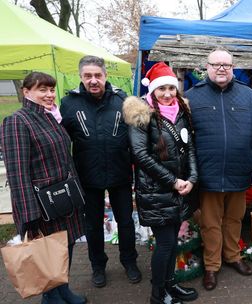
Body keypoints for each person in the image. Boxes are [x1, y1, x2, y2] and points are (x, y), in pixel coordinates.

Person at [184, 47, 252, 291]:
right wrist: (192, 169)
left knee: (234, 218)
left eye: (227, 65)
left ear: (233, 68)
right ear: (206, 67)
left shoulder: (249, 96)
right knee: (210, 222)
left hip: (240, 171)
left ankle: (233, 256)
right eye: (216, 64)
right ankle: (212, 265)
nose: (221, 68)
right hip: (208, 173)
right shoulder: (191, 97)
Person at [1, 72, 87, 303]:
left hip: (62, 199)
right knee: (46, 254)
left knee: (63, 248)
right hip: (41, 205)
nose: (49, 95)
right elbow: (17, 172)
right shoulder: (17, 121)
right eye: (42, 90)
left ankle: (64, 290)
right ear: (26, 92)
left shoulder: (49, 116)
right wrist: (30, 215)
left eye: (51, 90)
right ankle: (51, 297)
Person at [60, 55, 140, 288]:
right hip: (87, 176)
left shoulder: (122, 100)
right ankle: (98, 266)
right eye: (88, 76)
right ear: (81, 77)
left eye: (97, 75)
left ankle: (129, 261)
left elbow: (136, 138)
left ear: (105, 76)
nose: (93, 80)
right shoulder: (69, 104)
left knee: (126, 222)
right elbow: (62, 139)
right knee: (93, 226)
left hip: (120, 174)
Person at [123, 62, 198, 304]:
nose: (167, 93)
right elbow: (140, 155)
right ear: (152, 90)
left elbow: (190, 150)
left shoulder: (182, 112)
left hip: (179, 190)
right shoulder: (141, 115)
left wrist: (192, 178)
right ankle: (158, 295)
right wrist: (173, 181)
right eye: (161, 89)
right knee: (165, 245)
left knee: (172, 241)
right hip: (157, 192)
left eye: (171, 88)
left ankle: (170, 284)